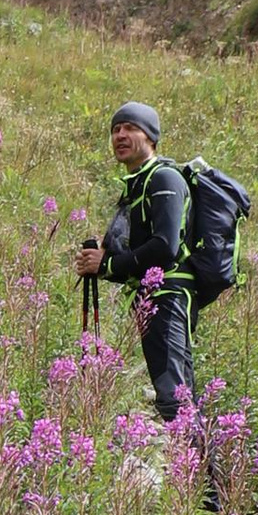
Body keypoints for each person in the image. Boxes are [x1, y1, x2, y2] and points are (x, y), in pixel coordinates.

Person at [79, 101, 193, 426]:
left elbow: (165, 247)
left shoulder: (164, 179)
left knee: (174, 394)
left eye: (130, 128)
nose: (120, 135)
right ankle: (198, 472)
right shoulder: (136, 185)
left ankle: (199, 473)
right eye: (115, 129)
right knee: (178, 392)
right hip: (149, 298)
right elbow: (137, 255)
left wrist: (109, 264)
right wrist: (100, 263)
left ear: (151, 137)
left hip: (168, 296)